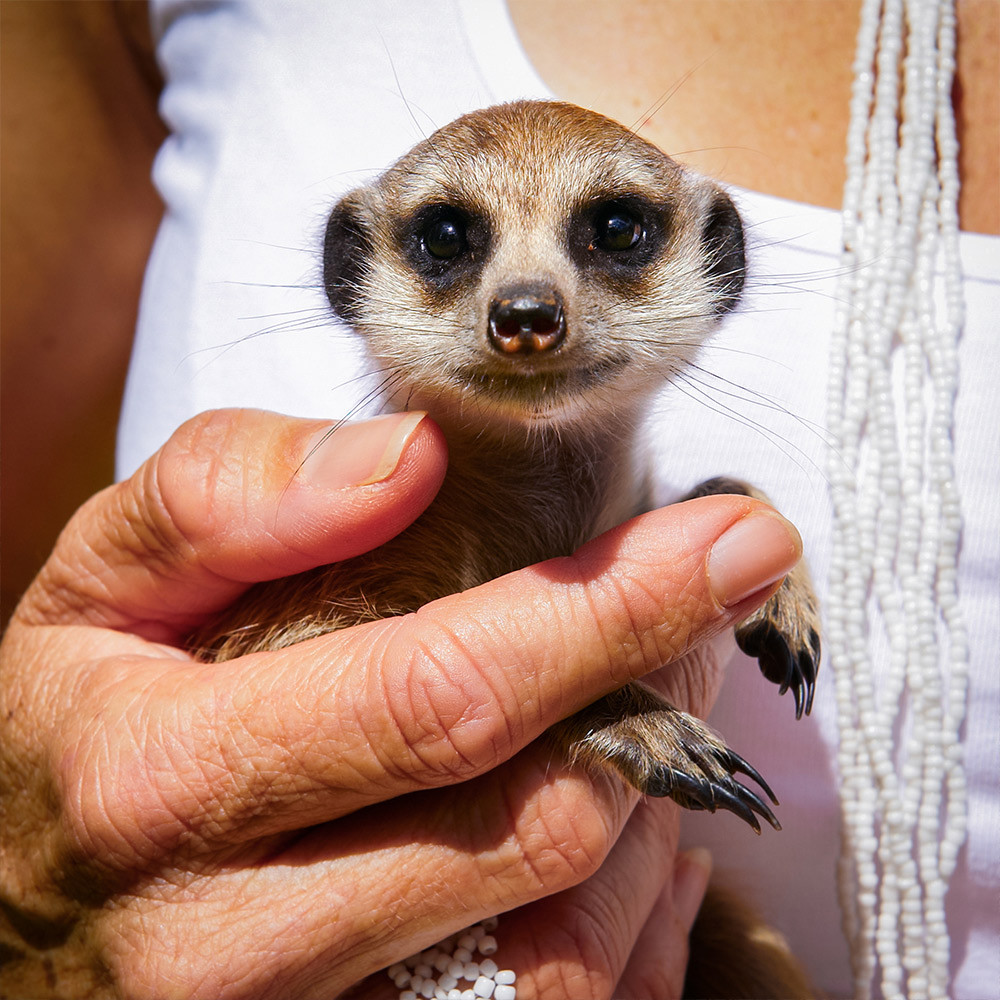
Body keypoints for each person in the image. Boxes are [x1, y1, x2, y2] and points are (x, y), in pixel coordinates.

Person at [1, 2, 996, 998]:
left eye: (613, 232)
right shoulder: (338, 550)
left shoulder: (698, 521)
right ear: (355, 276)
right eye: (447, 240)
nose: (527, 306)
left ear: (717, 264)